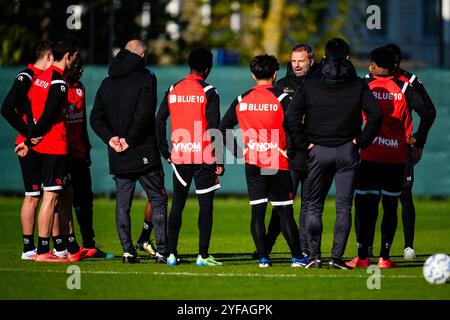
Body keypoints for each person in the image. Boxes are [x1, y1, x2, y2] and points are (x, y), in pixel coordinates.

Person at [287, 38, 383, 269]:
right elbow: (376, 115)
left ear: (323, 57)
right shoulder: (359, 84)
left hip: (317, 151)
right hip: (347, 152)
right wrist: (360, 141)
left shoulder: (310, 83)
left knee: (312, 206)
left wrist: (303, 144)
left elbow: (291, 116)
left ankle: (314, 257)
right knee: (343, 207)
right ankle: (336, 258)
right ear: (348, 57)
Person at [347, 46, 434, 268]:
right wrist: (417, 139)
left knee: (365, 204)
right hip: (397, 155)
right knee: (391, 205)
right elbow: (427, 112)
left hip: (370, 153)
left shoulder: (365, 84)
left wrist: (356, 138)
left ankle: (363, 256)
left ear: (374, 64)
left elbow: (349, 113)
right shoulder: (405, 86)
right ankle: (385, 258)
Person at [219, 54, 304, 268]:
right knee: (284, 211)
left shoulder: (242, 99)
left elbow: (223, 128)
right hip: (276, 162)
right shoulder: (283, 98)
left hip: (253, 162)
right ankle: (296, 257)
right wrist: (292, 152)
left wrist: (237, 152)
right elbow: (295, 128)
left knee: (258, 212)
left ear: (252, 74)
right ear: (275, 74)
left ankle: (264, 258)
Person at [90, 39, 168, 264]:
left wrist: (111, 138)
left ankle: (127, 251)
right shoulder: (147, 77)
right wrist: (129, 140)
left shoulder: (107, 81)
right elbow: (144, 114)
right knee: (158, 197)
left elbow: (96, 117)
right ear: (142, 55)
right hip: (142, 150)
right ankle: (162, 251)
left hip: (118, 152)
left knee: (123, 202)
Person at [15, 40, 86, 262]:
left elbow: (28, 109)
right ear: (68, 56)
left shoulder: (39, 78)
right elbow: (47, 115)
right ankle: (44, 251)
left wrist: (29, 137)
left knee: (54, 195)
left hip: (42, 145)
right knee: (51, 197)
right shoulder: (58, 81)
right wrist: (29, 139)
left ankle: (62, 248)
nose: (76, 61)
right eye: (74, 56)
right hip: (53, 144)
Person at [156, 48, 223, 266]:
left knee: (177, 205)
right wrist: (220, 159)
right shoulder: (209, 91)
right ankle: (202, 256)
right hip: (204, 156)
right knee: (206, 207)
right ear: (207, 68)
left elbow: (159, 121)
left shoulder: (173, 88)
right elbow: (215, 128)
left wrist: (165, 150)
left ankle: (171, 254)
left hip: (180, 156)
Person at [255, 44, 317, 262]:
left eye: (301, 61)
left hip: (310, 153)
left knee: (308, 205)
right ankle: (266, 246)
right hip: (283, 154)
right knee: (280, 206)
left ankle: (304, 249)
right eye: (293, 61)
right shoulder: (281, 86)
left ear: (311, 60)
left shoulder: (319, 83)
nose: (297, 65)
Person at [1, 40, 53, 260]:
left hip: (42, 144)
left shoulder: (44, 79)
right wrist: (28, 134)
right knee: (32, 195)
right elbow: (6, 108)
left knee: (48, 195)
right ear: (49, 56)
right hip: (28, 145)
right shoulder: (26, 76)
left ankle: (51, 247)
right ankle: (28, 248)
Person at [386, 43, 437, 260]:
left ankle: (408, 246)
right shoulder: (369, 81)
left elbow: (429, 112)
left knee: (404, 195)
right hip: (374, 147)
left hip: (401, 148)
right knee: (368, 197)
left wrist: (419, 142)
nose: (393, 65)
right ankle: (367, 249)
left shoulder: (409, 82)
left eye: (396, 61)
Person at [63, 55, 113, 259]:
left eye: (82, 66)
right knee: (63, 200)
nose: (80, 70)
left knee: (85, 199)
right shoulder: (58, 87)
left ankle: (89, 245)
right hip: (61, 154)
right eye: (76, 66)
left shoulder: (80, 87)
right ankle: (65, 245)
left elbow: (81, 120)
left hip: (80, 153)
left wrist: (87, 147)